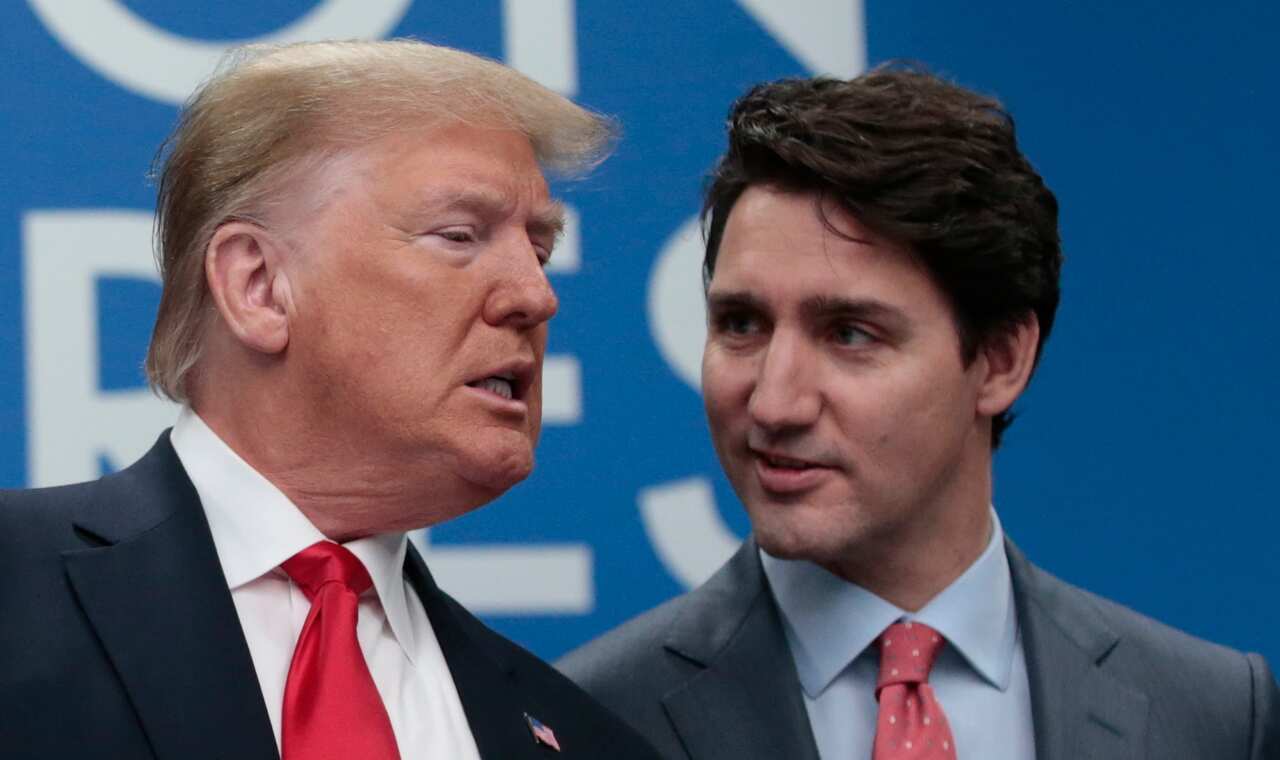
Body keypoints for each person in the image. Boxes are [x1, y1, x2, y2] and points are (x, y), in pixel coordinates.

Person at [559, 68, 1279, 759]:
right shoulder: (584, 720)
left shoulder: (1215, 713)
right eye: (742, 324)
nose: (775, 402)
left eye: (849, 334)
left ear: (999, 361)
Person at [0, 39, 660, 760]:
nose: (537, 296)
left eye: (539, 250)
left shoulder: (584, 735)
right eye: (459, 235)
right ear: (258, 287)